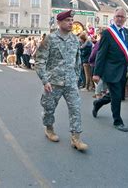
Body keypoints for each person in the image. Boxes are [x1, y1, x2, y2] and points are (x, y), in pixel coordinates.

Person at [35, 10, 87, 151]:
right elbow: (39, 61)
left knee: (75, 108)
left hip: (70, 82)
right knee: (49, 108)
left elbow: (78, 61)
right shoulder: (50, 39)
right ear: (59, 22)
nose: (71, 23)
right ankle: (49, 128)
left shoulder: (75, 40)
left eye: (71, 20)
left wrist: (76, 77)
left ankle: (76, 138)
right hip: (53, 83)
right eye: (67, 20)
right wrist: (45, 81)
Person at [92, 8, 128, 132]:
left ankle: (98, 103)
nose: (119, 19)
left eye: (122, 17)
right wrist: (96, 73)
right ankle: (117, 121)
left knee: (115, 95)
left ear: (125, 19)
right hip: (111, 70)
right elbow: (101, 54)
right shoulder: (108, 33)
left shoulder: (127, 33)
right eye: (118, 16)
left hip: (123, 71)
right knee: (117, 96)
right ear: (114, 17)